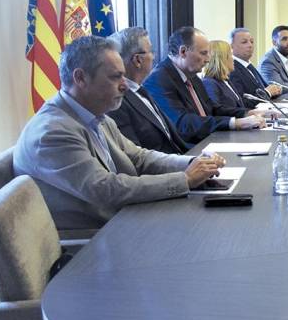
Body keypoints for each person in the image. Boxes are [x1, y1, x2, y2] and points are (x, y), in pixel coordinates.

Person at [12, 36, 225, 230]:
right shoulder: (53, 132)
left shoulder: (95, 115)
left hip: (122, 219)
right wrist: (184, 180)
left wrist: (192, 163)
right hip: (93, 240)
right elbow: (106, 190)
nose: (125, 86)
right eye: (116, 77)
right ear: (80, 78)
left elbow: (139, 157)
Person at [144, 26, 267, 145]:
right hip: (188, 149)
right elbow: (183, 123)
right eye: (203, 53)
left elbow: (213, 109)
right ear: (183, 52)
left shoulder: (192, 76)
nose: (208, 59)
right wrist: (235, 123)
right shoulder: (159, 79)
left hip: (209, 140)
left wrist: (247, 113)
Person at [107, 27, 189, 155]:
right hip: (166, 171)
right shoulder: (117, 102)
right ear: (138, 60)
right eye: (151, 51)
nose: (154, 57)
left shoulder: (141, 90)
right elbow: (135, 157)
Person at [227, 27, 281, 108]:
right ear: (231, 46)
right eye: (244, 42)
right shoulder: (231, 69)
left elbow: (265, 88)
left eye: (252, 41)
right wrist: (268, 93)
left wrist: (275, 90)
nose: (250, 45)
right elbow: (241, 102)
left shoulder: (249, 66)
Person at [203, 40, 258, 110]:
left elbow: (239, 106)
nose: (233, 58)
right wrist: (248, 113)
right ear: (222, 59)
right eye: (230, 55)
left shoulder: (226, 80)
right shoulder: (209, 83)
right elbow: (217, 111)